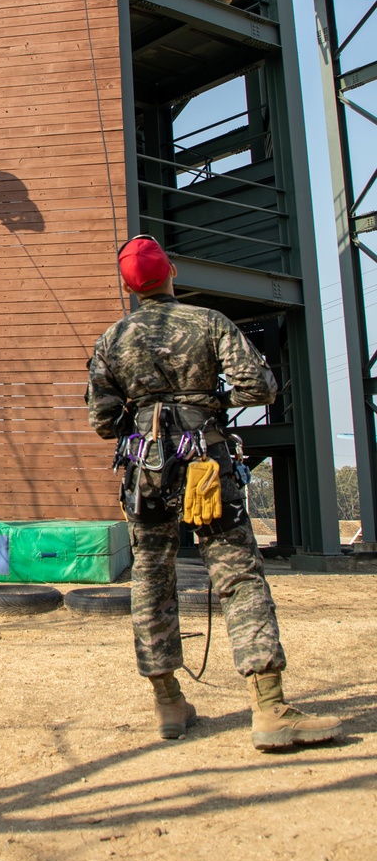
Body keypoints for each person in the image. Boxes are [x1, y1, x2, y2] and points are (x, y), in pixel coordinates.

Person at [87, 236, 343, 752]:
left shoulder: (112, 339)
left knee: (151, 577)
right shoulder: (209, 323)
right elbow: (260, 389)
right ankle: (270, 708)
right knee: (238, 574)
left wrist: (145, 416)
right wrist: (208, 403)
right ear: (171, 272)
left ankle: (168, 703)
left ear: (129, 286)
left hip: (145, 471)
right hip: (205, 464)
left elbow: (102, 421)